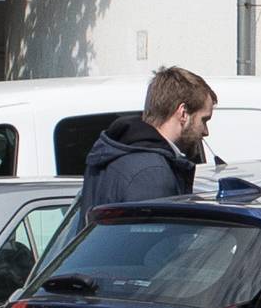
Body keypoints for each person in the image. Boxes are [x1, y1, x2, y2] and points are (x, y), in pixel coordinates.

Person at [78, 66, 217, 219]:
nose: (205, 131)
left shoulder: (113, 153)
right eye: (204, 120)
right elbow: (154, 240)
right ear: (183, 114)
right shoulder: (152, 172)